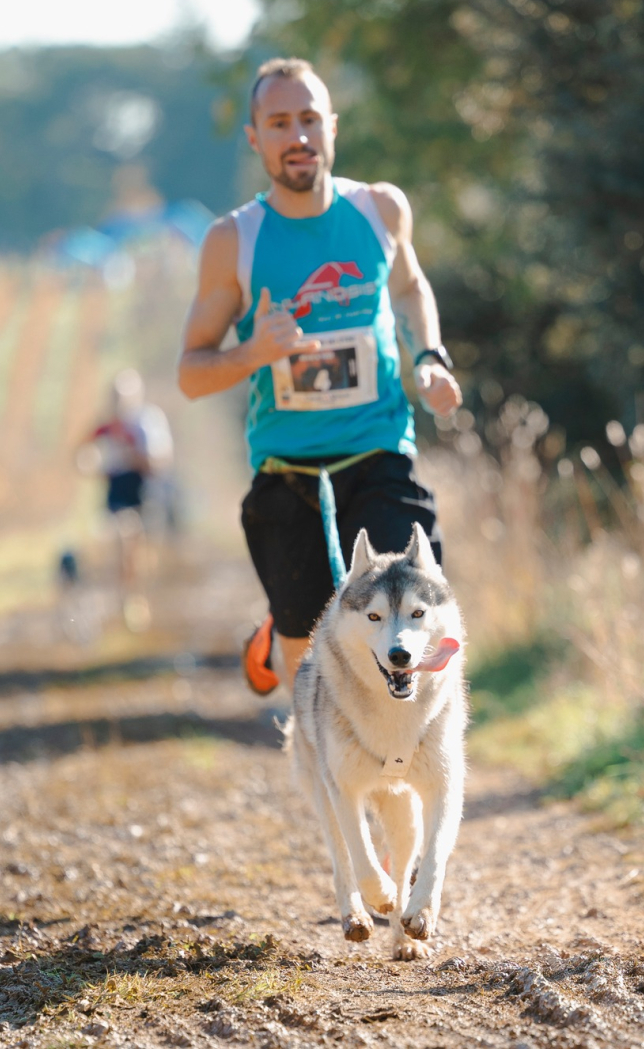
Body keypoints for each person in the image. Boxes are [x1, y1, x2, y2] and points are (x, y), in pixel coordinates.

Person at [177, 57, 463, 695]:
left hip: (380, 450)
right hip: (288, 472)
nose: (298, 135)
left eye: (309, 119)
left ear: (332, 127)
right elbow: (191, 374)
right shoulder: (234, 240)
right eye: (279, 122)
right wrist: (253, 351)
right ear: (255, 138)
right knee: (308, 664)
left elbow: (412, 287)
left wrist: (429, 356)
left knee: (413, 620)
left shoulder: (380, 210)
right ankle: (280, 629)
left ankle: (400, 768)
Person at [79, 369, 174, 591]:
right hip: (115, 492)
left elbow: (160, 461)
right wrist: (92, 465)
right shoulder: (106, 426)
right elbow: (80, 453)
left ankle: (136, 593)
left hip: (145, 492)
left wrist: (131, 455)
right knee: (118, 541)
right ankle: (125, 594)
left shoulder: (148, 422)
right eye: (114, 396)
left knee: (138, 546)